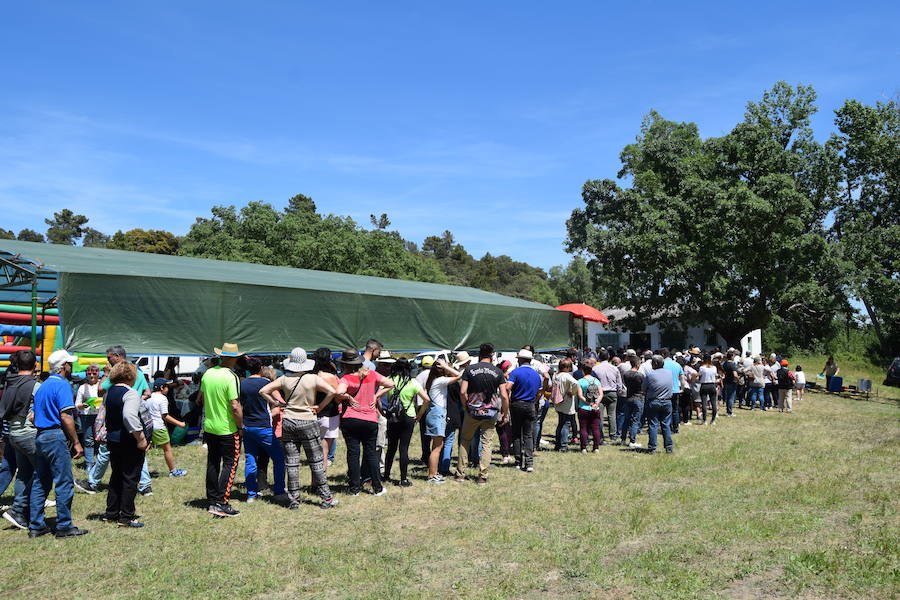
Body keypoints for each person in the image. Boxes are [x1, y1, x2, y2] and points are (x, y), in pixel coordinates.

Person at [260, 347, 339, 509]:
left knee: (292, 463)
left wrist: (277, 403)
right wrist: (319, 406)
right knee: (316, 461)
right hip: (308, 421)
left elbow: (263, 390)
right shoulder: (312, 378)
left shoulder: (284, 379)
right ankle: (326, 498)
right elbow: (332, 391)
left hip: (289, 420)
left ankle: (294, 500)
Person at [29, 349, 89, 538]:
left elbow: (32, 416)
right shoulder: (62, 385)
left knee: (41, 482)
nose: (71, 367)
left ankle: (36, 525)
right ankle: (64, 526)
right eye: (69, 364)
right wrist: (76, 442)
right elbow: (65, 415)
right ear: (63, 367)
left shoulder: (42, 386)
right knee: (63, 482)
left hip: (40, 436)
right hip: (55, 436)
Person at [336, 349, 394, 496]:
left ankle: (354, 488)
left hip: (350, 419)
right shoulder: (372, 374)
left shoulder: (346, 378)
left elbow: (338, 393)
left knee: (353, 453)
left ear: (345, 364)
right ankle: (377, 487)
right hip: (370, 419)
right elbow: (390, 383)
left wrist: (348, 397)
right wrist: (376, 395)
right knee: (371, 454)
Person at [198, 342, 244, 517]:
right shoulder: (231, 376)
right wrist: (240, 427)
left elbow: (200, 398)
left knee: (213, 463)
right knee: (230, 464)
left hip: (210, 427)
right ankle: (221, 502)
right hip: (227, 428)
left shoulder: (208, 373)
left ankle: (212, 499)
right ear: (235, 358)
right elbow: (235, 405)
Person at [102, 361, 149, 528]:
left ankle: (111, 513)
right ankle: (126, 516)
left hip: (113, 439)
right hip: (128, 441)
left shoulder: (109, 392)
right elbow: (129, 416)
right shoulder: (131, 394)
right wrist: (141, 438)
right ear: (131, 376)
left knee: (116, 476)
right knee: (130, 478)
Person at [455, 343, 509, 485]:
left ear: (480, 354)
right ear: (492, 355)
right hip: (490, 412)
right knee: (487, 443)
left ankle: (460, 473)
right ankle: (482, 475)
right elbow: (504, 395)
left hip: (472, 411)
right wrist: (505, 412)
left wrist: (465, 405)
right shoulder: (497, 372)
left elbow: (462, 391)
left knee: (465, 440)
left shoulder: (469, 370)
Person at [0, 350, 41, 531]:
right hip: (29, 434)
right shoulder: (35, 386)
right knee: (41, 473)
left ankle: (18, 511)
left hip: (13, 434)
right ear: (35, 365)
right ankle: (33, 514)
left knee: (23, 473)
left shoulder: (10, 382)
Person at [239, 357, 285, 502]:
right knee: (278, 459)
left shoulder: (241, 384)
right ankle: (278, 490)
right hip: (264, 426)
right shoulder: (266, 383)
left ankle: (251, 494)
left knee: (250, 460)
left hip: (247, 426)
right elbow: (278, 403)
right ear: (261, 369)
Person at [382, 358, 430, 487]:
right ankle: (403, 479)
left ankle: (386, 475)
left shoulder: (389, 379)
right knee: (404, 448)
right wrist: (419, 415)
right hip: (408, 417)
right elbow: (426, 400)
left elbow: (377, 397)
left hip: (392, 417)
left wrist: (381, 412)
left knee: (391, 448)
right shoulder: (412, 382)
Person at [144, 378, 188, 477]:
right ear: (162, 388)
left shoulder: (149, 397)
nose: (168, 388)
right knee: (167, 449)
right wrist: (179, 424)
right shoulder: (163, 398)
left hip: (148, 426)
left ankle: (138, 470)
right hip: (159, 427)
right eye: (167, 386)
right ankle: (173, 471)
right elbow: (165, 416)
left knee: (145, 448)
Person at [507, 348, 542, 472]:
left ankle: (518, 461)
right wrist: (535, 400)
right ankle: (529, 463)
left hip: (517, 404)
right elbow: (539, 391)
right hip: (530, 404)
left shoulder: (515, 372)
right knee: (528, 435)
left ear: (520, 359)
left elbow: (508, 387)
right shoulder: (536, 375)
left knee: (516, 434)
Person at [312, 348, 342, 475]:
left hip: (312, 415)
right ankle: (320, 482)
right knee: (324, 451)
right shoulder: (330, 377)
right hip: (329, 415)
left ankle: (315, 481)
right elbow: (337, 398)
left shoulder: (310, 376)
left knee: (314, 452)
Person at [643, 355, 674, 454]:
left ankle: (652, 448)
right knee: (666, 425)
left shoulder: (650, 375)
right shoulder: (669, 373)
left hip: (654, 401)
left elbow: (643, 388)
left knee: (653, 424)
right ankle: (669, 447)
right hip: (667, 401)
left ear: (655, 364)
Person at [592, 349, 624, 442]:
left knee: (599, 415)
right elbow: (619, 383)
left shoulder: (595, 368)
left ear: (599, 357)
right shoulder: (614, 368)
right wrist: (619, 391)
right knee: (612, 414)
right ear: (609, 357)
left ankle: (600, 434)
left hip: (599, 393)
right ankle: (613, 434)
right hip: (612, 392)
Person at [551, 358, 582, 452]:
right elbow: (576, 383)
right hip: (567, 402)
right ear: (567, 367)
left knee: (560, 424)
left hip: (558, 402)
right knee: (566, 424)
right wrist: (572, 392)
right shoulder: (566, 376)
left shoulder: (556, 375)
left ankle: (557, 444)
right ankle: (563, 446)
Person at [74, 363, 101, 470]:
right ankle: (89, 463)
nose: (92, 376)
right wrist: (82, 405)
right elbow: (77, 404)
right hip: (87, 416)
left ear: (98, 373)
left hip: (100, 416)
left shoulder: (102, 385)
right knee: (88, 440)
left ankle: (100, 463)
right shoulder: (82, 387)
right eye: (89, 373)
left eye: (94, 373)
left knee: (100, 439)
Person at [576, 362, 603, 452]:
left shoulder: (580, 381)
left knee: (583, 428)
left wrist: (588, 402)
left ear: (583, 371)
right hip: (595, 408)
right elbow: (601, 394)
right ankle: (596, 447)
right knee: (596, 428)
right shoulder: (596, 381)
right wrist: (596, 404)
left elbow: (580, 395)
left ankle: (584, 447)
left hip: (583, 407)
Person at [620, 356, 645, 448]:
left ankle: (623, 439)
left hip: (628, 397)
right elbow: (643, 387)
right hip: (638, 398)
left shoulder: (626, 374)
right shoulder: (640, 375)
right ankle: (632, 440)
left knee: (626, 419)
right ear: (638, 364)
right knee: (635, 420)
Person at [661, 349, 684, 434]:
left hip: (665, 390)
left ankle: (668, 427)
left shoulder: (662, 364)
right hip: (675, 390)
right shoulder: (677, 364)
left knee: (666, 410)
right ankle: (676, 427)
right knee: (675, 410)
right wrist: (682, 388)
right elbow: (682, 377)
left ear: (663, 355)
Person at [697, 354, 720, 425]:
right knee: (713, 403)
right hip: (712, 385)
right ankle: (713, 420)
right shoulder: (714, 368)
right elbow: (716, 375)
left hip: (704, 385)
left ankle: (704, 420)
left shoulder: (702, 368)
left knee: (704, 403)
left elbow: (699, 376)